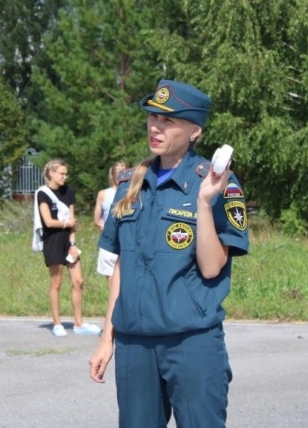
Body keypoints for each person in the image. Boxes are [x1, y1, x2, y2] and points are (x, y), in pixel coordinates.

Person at [88, 79, 250, 427]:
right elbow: (121, 267)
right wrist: (107, 338)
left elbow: (211, 268)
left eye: (168, 121)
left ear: (194, 130)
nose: (155, 127)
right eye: (152, 118)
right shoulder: (129, 184)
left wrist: (204, 203)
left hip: (190, 342)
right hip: (135, 345)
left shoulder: (218, 184)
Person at [33, 159, 101, 337]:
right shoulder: (43, 194)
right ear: (51, 173)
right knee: (57, 282)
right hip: (52, 240)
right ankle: (57, 323)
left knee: (78, 281)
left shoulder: (68, 191)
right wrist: (66, 224)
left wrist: (72, 242)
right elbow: (48, 221)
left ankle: (79, 324)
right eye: (62, 173)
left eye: (66, 173)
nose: (65, 176)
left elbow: (73, 221)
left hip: (68, 241)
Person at [93, 161, 128, 288]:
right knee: (113, 285)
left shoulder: (132, 191)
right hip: (111, 241)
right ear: (112, 176)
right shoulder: (104, 194)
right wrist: (104, 226)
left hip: (126, 241)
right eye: (119, 174)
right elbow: (97, 219)